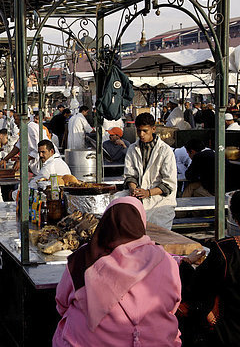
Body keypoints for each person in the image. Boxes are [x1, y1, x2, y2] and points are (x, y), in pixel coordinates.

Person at [53, 197, 182, 346]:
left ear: (105, 223)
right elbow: (173, 304)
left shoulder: (84, 258)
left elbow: (61, 303)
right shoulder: (165, 259)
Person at [178, 190, 240, 346]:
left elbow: (197, 287)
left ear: (235, 217)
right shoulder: (224, 251)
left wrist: (185, 264)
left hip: (228, 334)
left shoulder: (224, 251)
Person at [123, 112, 177, 229]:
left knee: (158, 238)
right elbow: (130, 175)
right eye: (139, 131)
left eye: (145, 131)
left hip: (160, 202)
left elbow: (169, 184)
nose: (141, 135)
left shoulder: (165, 151)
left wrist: (147, 193)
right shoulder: (132, 149)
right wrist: (133, 189)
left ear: (153, 129)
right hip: (138, 199)